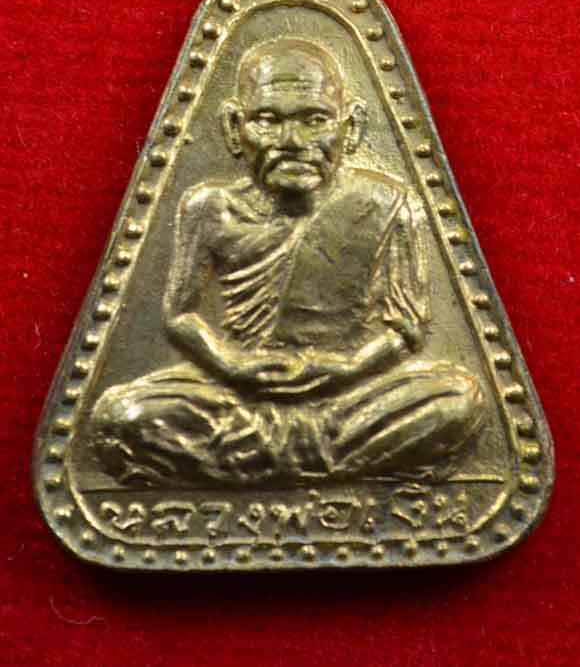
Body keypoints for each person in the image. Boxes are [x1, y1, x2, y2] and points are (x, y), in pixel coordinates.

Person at [90, 39, 485, 485]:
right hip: (237, 394)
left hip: (349, 396)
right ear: (234, 127)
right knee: (120, 415)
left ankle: (251, 462)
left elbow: (406, 329)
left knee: (459, 399)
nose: (293, 142)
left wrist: (346, 368)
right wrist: (230, 365)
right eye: (267, 120)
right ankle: (327, 460)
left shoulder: (388, 203)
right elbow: (180, 315)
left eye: (315, 120)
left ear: (351, 128)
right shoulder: (208, 207)